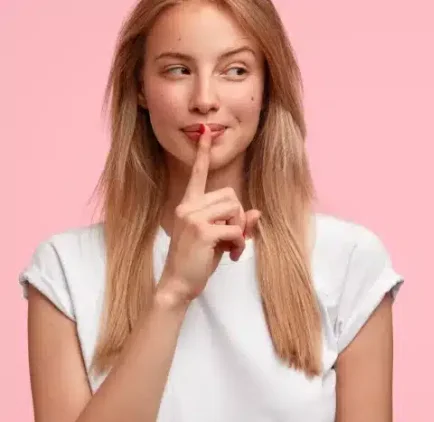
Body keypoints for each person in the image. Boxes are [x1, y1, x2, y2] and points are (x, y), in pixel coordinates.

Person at [18, 0, 404, 421]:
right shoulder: (63, 272)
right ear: (141, 87)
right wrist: (172, 294)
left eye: (235, 70)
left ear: (267, 86)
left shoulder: (349, 262)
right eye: (177, 70)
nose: (205, 100)